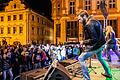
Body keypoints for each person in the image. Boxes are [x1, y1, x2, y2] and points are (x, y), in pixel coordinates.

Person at [77, 10, 112, 80]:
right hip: (101, 44)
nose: (79, 21)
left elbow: (94, 39)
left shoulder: (88, 24)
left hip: (97, 45)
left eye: (80, 19)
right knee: (100, 58)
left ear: (84, 16)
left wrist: (83, 42)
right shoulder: (95, 20)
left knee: (81, 58)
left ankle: (86, 78)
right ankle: (108, 73)